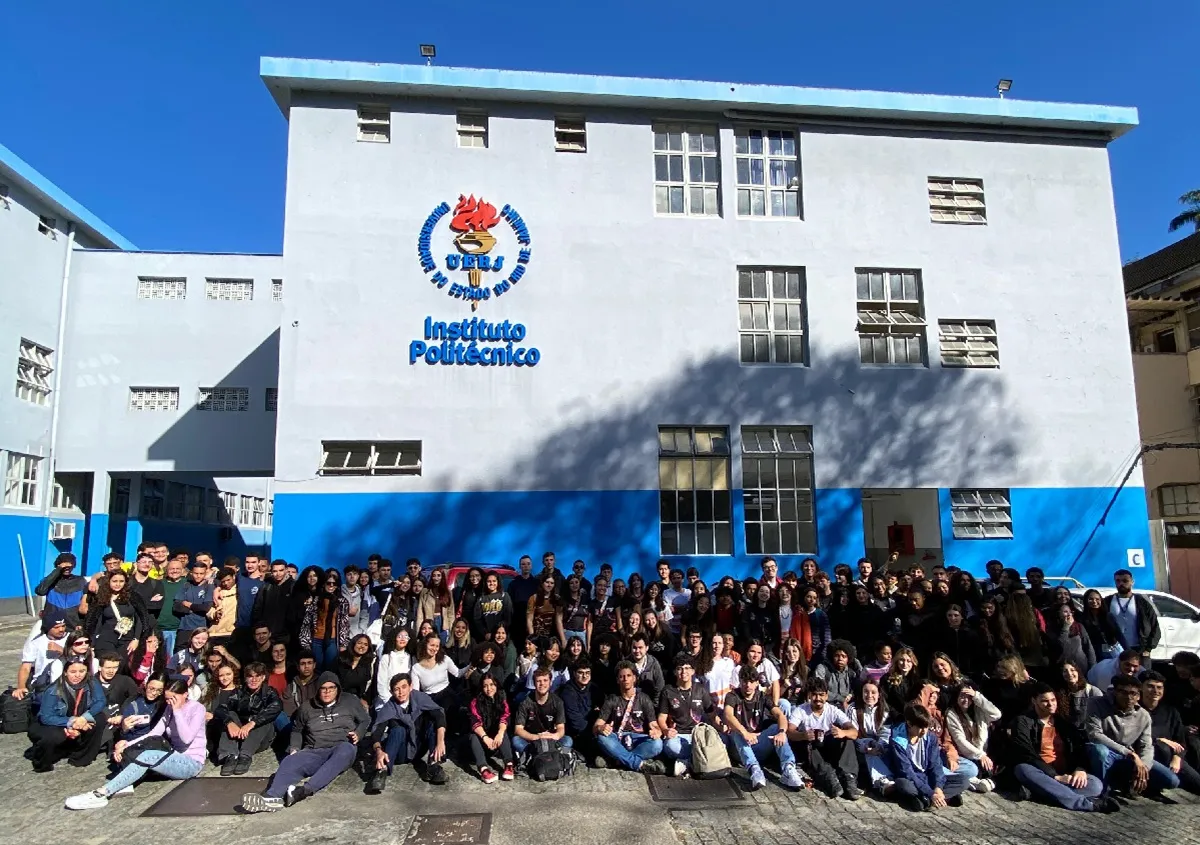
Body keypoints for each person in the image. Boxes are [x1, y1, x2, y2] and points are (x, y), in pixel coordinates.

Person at [64, 679, 207, 810]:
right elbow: (154, 733)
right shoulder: (169, 708)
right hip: (172, 756)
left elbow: (186, 739)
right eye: (167, 698)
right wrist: (126, 744)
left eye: (173, 698)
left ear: (185, 695)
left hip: (191, 763)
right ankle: (117, 786)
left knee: (149, 756)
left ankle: (102, 793)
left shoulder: (197, 709)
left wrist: (177, 711)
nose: (170, 702)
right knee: (142, 751)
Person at [242, 672, 370, 812]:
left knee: (346, 749)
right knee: (290, 761)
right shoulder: (306, 707)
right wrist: (295, 748)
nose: (327, 692)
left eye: (331, 688)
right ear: (317, 689)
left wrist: (358, 733)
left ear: (337, 689)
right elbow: (297, 730)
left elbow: (365, 720)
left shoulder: (349, 701)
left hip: (341, 747)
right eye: (323, 688)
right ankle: (271, 798)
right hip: (315, 750)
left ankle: (303, 791)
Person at [1009, 682, 1118, 813]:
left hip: (1064, 774)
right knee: (1022, 769)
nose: (1051, 704)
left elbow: (1079, 748)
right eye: (1045, 701)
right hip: (1040, 772)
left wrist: (1080, 769)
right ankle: (1086, 804)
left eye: (1053, 700)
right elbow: (1025, 752)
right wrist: (1055, 777)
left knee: (1095, 785)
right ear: (1034, 701)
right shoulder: (1023, 721)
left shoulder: (1063, 723)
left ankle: (1039, 792)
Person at [1086, 674, 1178, 797]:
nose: (1129, 697)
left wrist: (1143, 767)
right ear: (1115, 692)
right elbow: (1095, 734)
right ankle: (1103, 792)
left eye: (1133, 694)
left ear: (1139, 696)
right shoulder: (1096, 703)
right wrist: (1127, 752)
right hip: (1106, 751)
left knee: (1172, 781)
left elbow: (1146, 745)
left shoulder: (1143, 715)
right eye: (1123, 692)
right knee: (1100, 751)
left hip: (1128, 757)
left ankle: (1131, 783)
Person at [723, 663, 805, 790]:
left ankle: (788, 769)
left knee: (776, 728)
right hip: (739, 747)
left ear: (757, 683)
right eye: (745, 681)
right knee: (736, 733)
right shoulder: (732, 696)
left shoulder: (763, 697)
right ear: (740, 681)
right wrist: (745, 733)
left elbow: (780, 715)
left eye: (751, 681)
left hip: (758, 742)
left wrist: (782, 732)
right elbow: (728, 715)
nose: (748, 685)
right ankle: (754, 770)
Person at [365, 672, 449, 792]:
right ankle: (381, 771)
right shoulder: (389, 707)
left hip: (419, 746)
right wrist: (378, 751)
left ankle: (433, 765)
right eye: (396, 689)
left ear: (410, 687)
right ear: (392, 692)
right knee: (398, 729)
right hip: (401, 751)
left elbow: (439, 715)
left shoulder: (419, 697)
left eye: (404, 687)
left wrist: (440, 742)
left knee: (431, 722)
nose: (401, 692)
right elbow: (376, 732)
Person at [29, 655, 107, 772]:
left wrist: (85, 718)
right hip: (54, 722)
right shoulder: (53, 690)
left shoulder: (91, 682)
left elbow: (100, 701)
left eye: (82, 671)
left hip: (80, 718)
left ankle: (81, 756)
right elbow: (46, 717)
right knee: (52, 737)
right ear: (65, 672)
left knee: (100, 718)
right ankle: (42, 762)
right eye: (73, 671)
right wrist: (71, 722)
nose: (77, 675)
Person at [787, 677, 860, 799]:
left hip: (830, 748)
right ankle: (828, 778)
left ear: (826, 696)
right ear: (809, 695)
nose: (818, 698)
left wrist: (842, 732)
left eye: (821, 695)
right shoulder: (801, 710)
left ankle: (849, 779)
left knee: (847, 739)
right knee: (808, 743)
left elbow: (854, 732)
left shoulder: (833, 710)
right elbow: (789, 731)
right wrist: (802, 735)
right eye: (814, 695)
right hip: (812, 752)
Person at [887, 703, 968, 811]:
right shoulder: (897, 740)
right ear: (909, 724)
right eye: (920, 727)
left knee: (964, 780)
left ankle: (927, 800)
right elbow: (907, 772)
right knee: (903, 785)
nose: (924, 731)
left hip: (928, 777)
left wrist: (938, 787)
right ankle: (941, 798)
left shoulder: (930, 737)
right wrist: (931, 792)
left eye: (926, 727)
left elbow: (936, 764)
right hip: (911, 778)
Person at [593, 661, 665, 773]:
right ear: (617, 680)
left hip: (638, 739)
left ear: (634, 678)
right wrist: (601, 728)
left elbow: (654, 725)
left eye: (628, 676)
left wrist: (656, 731)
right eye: (621, 676)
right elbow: (596, 726)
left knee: (657, 744)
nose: (625, 679)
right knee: (602, 738)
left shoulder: (644, 699)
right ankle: (639, 764)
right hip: (618, 738)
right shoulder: (612, 699)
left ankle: (615, 759)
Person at [214, 662, 283, 775]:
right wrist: (229, 723)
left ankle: (245, 756)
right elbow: (221, 709)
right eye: (250, 676)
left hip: (259, 739)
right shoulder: (239, 692)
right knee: (230, 713)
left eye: (257, 676)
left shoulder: (269, 692)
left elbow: (276, 707)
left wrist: (252, 723)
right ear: (245, 678)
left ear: (263, 677)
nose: (254, 680)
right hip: (240, 736)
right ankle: (229, 756)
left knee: (264, 717)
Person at [1141, 671, 1200, 794]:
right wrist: (1159, 739)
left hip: (1172, 758)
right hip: (1146, 756)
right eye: (1150, 686)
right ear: (1141, 687)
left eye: (1159, 687)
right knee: (1172, 779)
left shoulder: (1170, 711)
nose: (1155, 691)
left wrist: (1177, 758)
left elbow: (1181, 741)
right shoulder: (1136, 710)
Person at [657, 654, 715, 777]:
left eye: (687, 668)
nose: (684, 671)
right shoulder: (668, 691)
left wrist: (721, 726)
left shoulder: (701, 689)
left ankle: (686, 763)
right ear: (675, 671)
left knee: (719, 743)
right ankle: (697, 762)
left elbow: (712, 714)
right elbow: (662, 718)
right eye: (680, 668)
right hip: (677, 735)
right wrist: (665, 729)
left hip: (697, 735)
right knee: (670, 747)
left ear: (693, 671)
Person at [945, 682, 1001, 792]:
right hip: (967, 754)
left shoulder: (979, 710)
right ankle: (976, 783)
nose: (966, 700)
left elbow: (997, 714)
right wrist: (980, 755)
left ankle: (990, 780)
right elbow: (960, 740)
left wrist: (977, 696)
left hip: (983, 752)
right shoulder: (952, 714)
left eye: (969, 697)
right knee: (971, 770)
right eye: (962, 696)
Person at [85, 571, 150, 663]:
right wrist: (92, 643)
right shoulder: (101, 597)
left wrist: (136, 639)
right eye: (114, 581)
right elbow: (94, 620)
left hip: (127, 638)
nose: (118, 584)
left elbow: (141, 618)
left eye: (121, 581)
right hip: (106, 638)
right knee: (108, 663)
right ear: (109, 581)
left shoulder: (133, 597)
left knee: (122, 665)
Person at [512, 667, 572, 760]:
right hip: (532, 739)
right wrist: (537, 737)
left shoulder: (557, 702)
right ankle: (549, 756)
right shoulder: (525, 702)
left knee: (568, 740)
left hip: (550, 738)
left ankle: (535, 756)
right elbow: (518, 729)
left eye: (545, 680)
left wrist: (554, 736)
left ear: (550, 682)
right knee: (516, 740)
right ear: (534, 683)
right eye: (538, 681)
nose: (542, 684)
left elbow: (561, 728)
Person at [1101, 570, 1161, 660]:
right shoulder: (1107, 601)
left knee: (1143, 674)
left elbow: (1154, 626)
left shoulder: (1142, 602)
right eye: (1118, 581)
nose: (1121, 583)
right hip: (1116, 649)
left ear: (1132, 582)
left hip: (1139, 649)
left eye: (1125, 581)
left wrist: (1148, 649)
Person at [848, 680, 893, 794]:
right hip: (860, 745)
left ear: (879, 694)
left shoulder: (885, 710)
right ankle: (882, 782)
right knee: (869, 754)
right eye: (866, 692)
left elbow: (885, 733)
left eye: (873, 692)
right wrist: (867, 746)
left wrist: (879, 746)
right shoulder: (853, 709)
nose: (869, 696)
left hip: (879, 746)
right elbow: (853, 734)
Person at [300, 569, 352, 670]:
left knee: (331, 667)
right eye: (329, 583)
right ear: (324, 584)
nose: (331, 586)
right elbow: (307, 622)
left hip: (332, 639)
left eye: (334, 583)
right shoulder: (315, 600)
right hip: (316, 638)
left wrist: (343, 644)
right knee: (316, 668)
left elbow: (344, 624)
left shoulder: (342, 602)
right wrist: (305, 641)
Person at [468, 675, 514, 783]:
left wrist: (500, 733)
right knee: (473, 736)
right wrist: (485, 738)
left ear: (496, 685)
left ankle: (509, 765)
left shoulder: (502, 699)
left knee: (503, 731)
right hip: (482, 740)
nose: (489, 689)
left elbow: (505, 717)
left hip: (496, 740)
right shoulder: (475, 702)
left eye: (492, 685)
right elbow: (475, 722)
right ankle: (484, 769)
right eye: (485, 686)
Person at [14, 612, 68, 702]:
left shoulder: (71, 638)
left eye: (63, 626)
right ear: (48, 627)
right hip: (43, 684)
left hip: (67, 680)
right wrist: (21, 687)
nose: (61, 629)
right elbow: (25, 667)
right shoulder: (36, 642)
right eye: (56, 627)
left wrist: (61, 650)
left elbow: (81, 657)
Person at [34, 553, 89, 631]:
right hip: (52, 625)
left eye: (70, 566)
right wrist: (58, 570)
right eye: (64, 567)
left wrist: (81, 623)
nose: (67, 569)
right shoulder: (50, 580)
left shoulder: (80, 581)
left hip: (73, 625)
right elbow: (40, 591)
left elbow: (86, 604)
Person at [1047, 602, 1097, 675]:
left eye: (1070, 612)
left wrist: (1093, 666)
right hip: (1065, 671)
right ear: (1058, 614)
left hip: (1082, 667)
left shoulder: (1078, 626)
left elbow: (1088, 647)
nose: (1069, 614)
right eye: (1065, 612)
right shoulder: (1052, 630)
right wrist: (1066, 627)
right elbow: (1062, 645)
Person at [814, 640, 860, 710]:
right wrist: (840, 698)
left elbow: (859, 687)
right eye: (837, 656)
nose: (840, 659)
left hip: (848, 707)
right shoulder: (823, 668)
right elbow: (818, 688)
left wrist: (851, 695)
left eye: (844, 656)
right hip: (827, 707)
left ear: (848, 658)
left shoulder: (852, 673)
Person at [375, 628, 413, 707]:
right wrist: (390, 702)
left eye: (406, 637)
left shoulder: (411, 658)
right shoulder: (387, 657)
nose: (402, 639)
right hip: (387, 702)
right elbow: (381, 683)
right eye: (399, 636)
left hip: (405, 702)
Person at [474, 572, 513, 642]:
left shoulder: (504, 596)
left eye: (494, 581)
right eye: (489, 581)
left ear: (498, 582)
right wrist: (485, 633)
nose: (491, 583)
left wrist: (500, 632)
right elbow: (477, 619)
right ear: (485, 583)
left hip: (501, 636)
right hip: (487, 637)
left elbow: (508, 616)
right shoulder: (481, 598)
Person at [629, 633, 666, 702]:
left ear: (647, 648)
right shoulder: (625, 664)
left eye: (640, 648)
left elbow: (660, 687)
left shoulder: (654, 663)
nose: (637, 651)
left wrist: (654, 705)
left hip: (649, 705)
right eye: (634, 648)